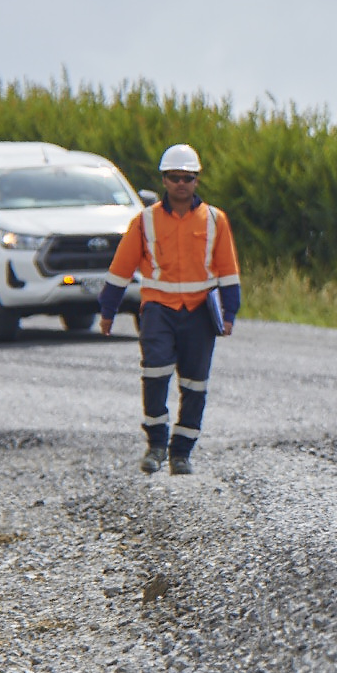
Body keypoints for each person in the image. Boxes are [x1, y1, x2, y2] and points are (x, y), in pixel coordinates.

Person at [98, 144, 240, 476]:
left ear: (197, 180)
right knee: (155, 375)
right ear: (164, 179)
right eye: (174, 178)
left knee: (194, 385)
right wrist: (107, 312)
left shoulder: (216, 221)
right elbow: (121, 269)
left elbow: (229, 270)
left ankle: (181, 453)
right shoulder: (145, 221)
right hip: (158, 311)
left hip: (199, 315)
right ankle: (156, 445)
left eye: (187, 178)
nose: (180, 184)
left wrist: (230, 313)